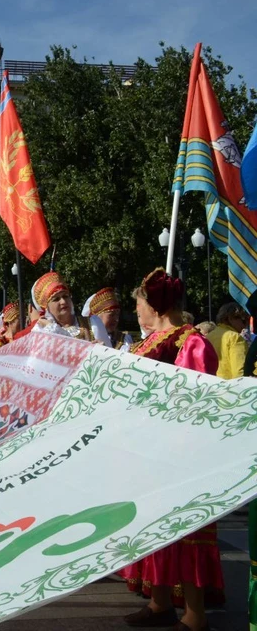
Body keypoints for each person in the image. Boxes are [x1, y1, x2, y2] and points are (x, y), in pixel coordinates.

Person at [122, 268, 222, 631]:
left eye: (138, 303)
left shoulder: (190, 342)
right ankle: (159, 601)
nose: (135, 311)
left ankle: (194, 616)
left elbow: (192, 401)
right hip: (146, 449)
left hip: (177, 451)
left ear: (154, 304)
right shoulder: (149, 340)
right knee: (153, 526)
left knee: (186, 528)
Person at [29, 271, 104, 342]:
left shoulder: (93, 323)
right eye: (56, 299)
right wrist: (50, 327)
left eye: (65, 296)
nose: (63, 302)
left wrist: (102, 350)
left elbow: (109, 353)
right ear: (46, 308)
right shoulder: (42, 330)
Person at [206, 302, 248, 380]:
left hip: (211, 385)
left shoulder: (209, 336)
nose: (245, 325)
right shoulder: (235, 337)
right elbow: (240, 372)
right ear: (230, 318)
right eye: (243, 320)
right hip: (229, 387)